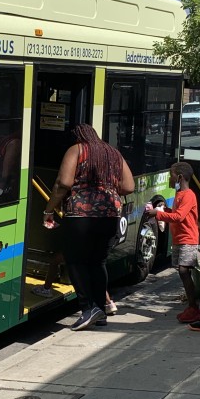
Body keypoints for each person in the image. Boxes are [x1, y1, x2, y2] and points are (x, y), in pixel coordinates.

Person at [42, 124, 134, 331]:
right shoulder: (114, 153)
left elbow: (63, 183)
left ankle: (87, 309)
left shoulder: (77, 150)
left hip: (81, 215)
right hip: (110, 215)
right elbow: (129, 187)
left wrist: (49, 209)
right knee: (97, 262)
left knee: (75, 262)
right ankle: (100, 311)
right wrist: (106, 188)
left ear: (77, 137)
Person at [147, 162, 200, 323]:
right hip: (179, 238)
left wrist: (158, 214)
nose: (170, 179)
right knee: (181, 271)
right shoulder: (179, 194)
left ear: (179, 177)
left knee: (184, 271)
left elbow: (179, 217)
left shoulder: (188, 195)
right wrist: (165, 210)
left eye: (171, 176)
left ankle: (194, 307)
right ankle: (192, 306)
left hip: (188, 239)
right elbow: (176, 214)